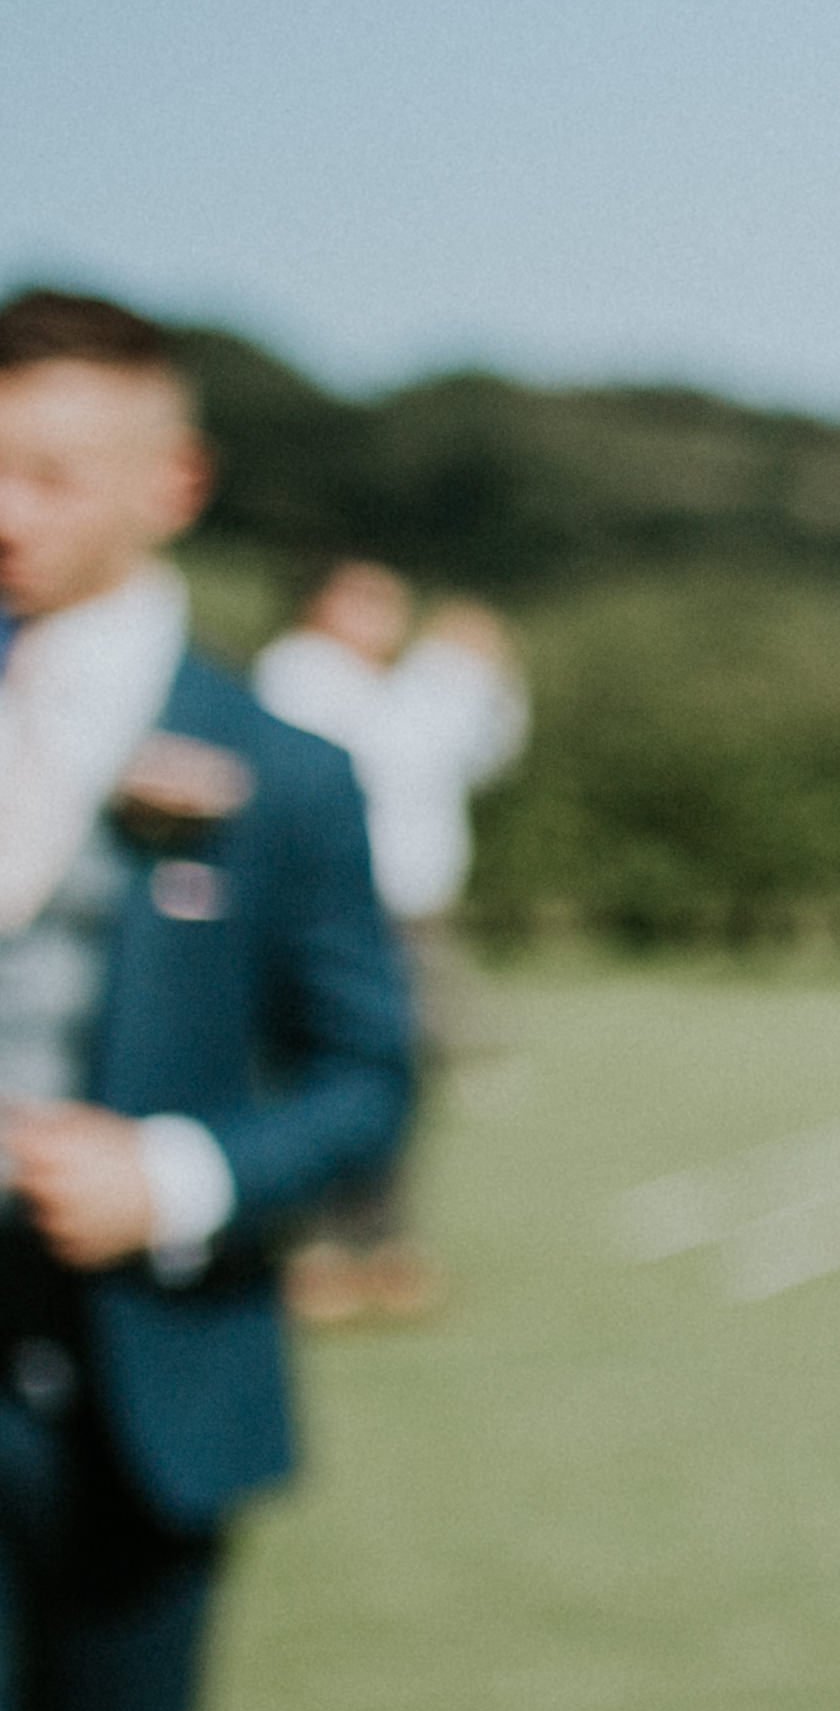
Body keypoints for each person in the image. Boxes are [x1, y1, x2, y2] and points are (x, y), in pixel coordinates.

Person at [0, 291, 415, 1711]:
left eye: (50, 468)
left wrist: (170, 1169)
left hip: (150, 1391)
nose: (4, 510)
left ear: (168, 486)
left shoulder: (284, 767)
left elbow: (363, 1080)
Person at [247, 559, 526, 1323]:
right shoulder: (299, 676)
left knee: (391, 1076)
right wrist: (448, 670)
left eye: (391, 601)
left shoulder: (401, 687)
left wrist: (483, 670)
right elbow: (374, 761)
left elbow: (482, 754)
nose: (382, 614)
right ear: (318, 603)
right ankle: (317, 1247)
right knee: (319, 1071)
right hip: (332, 914)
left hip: (411, 912)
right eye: (362, 598)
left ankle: (381, 1240)